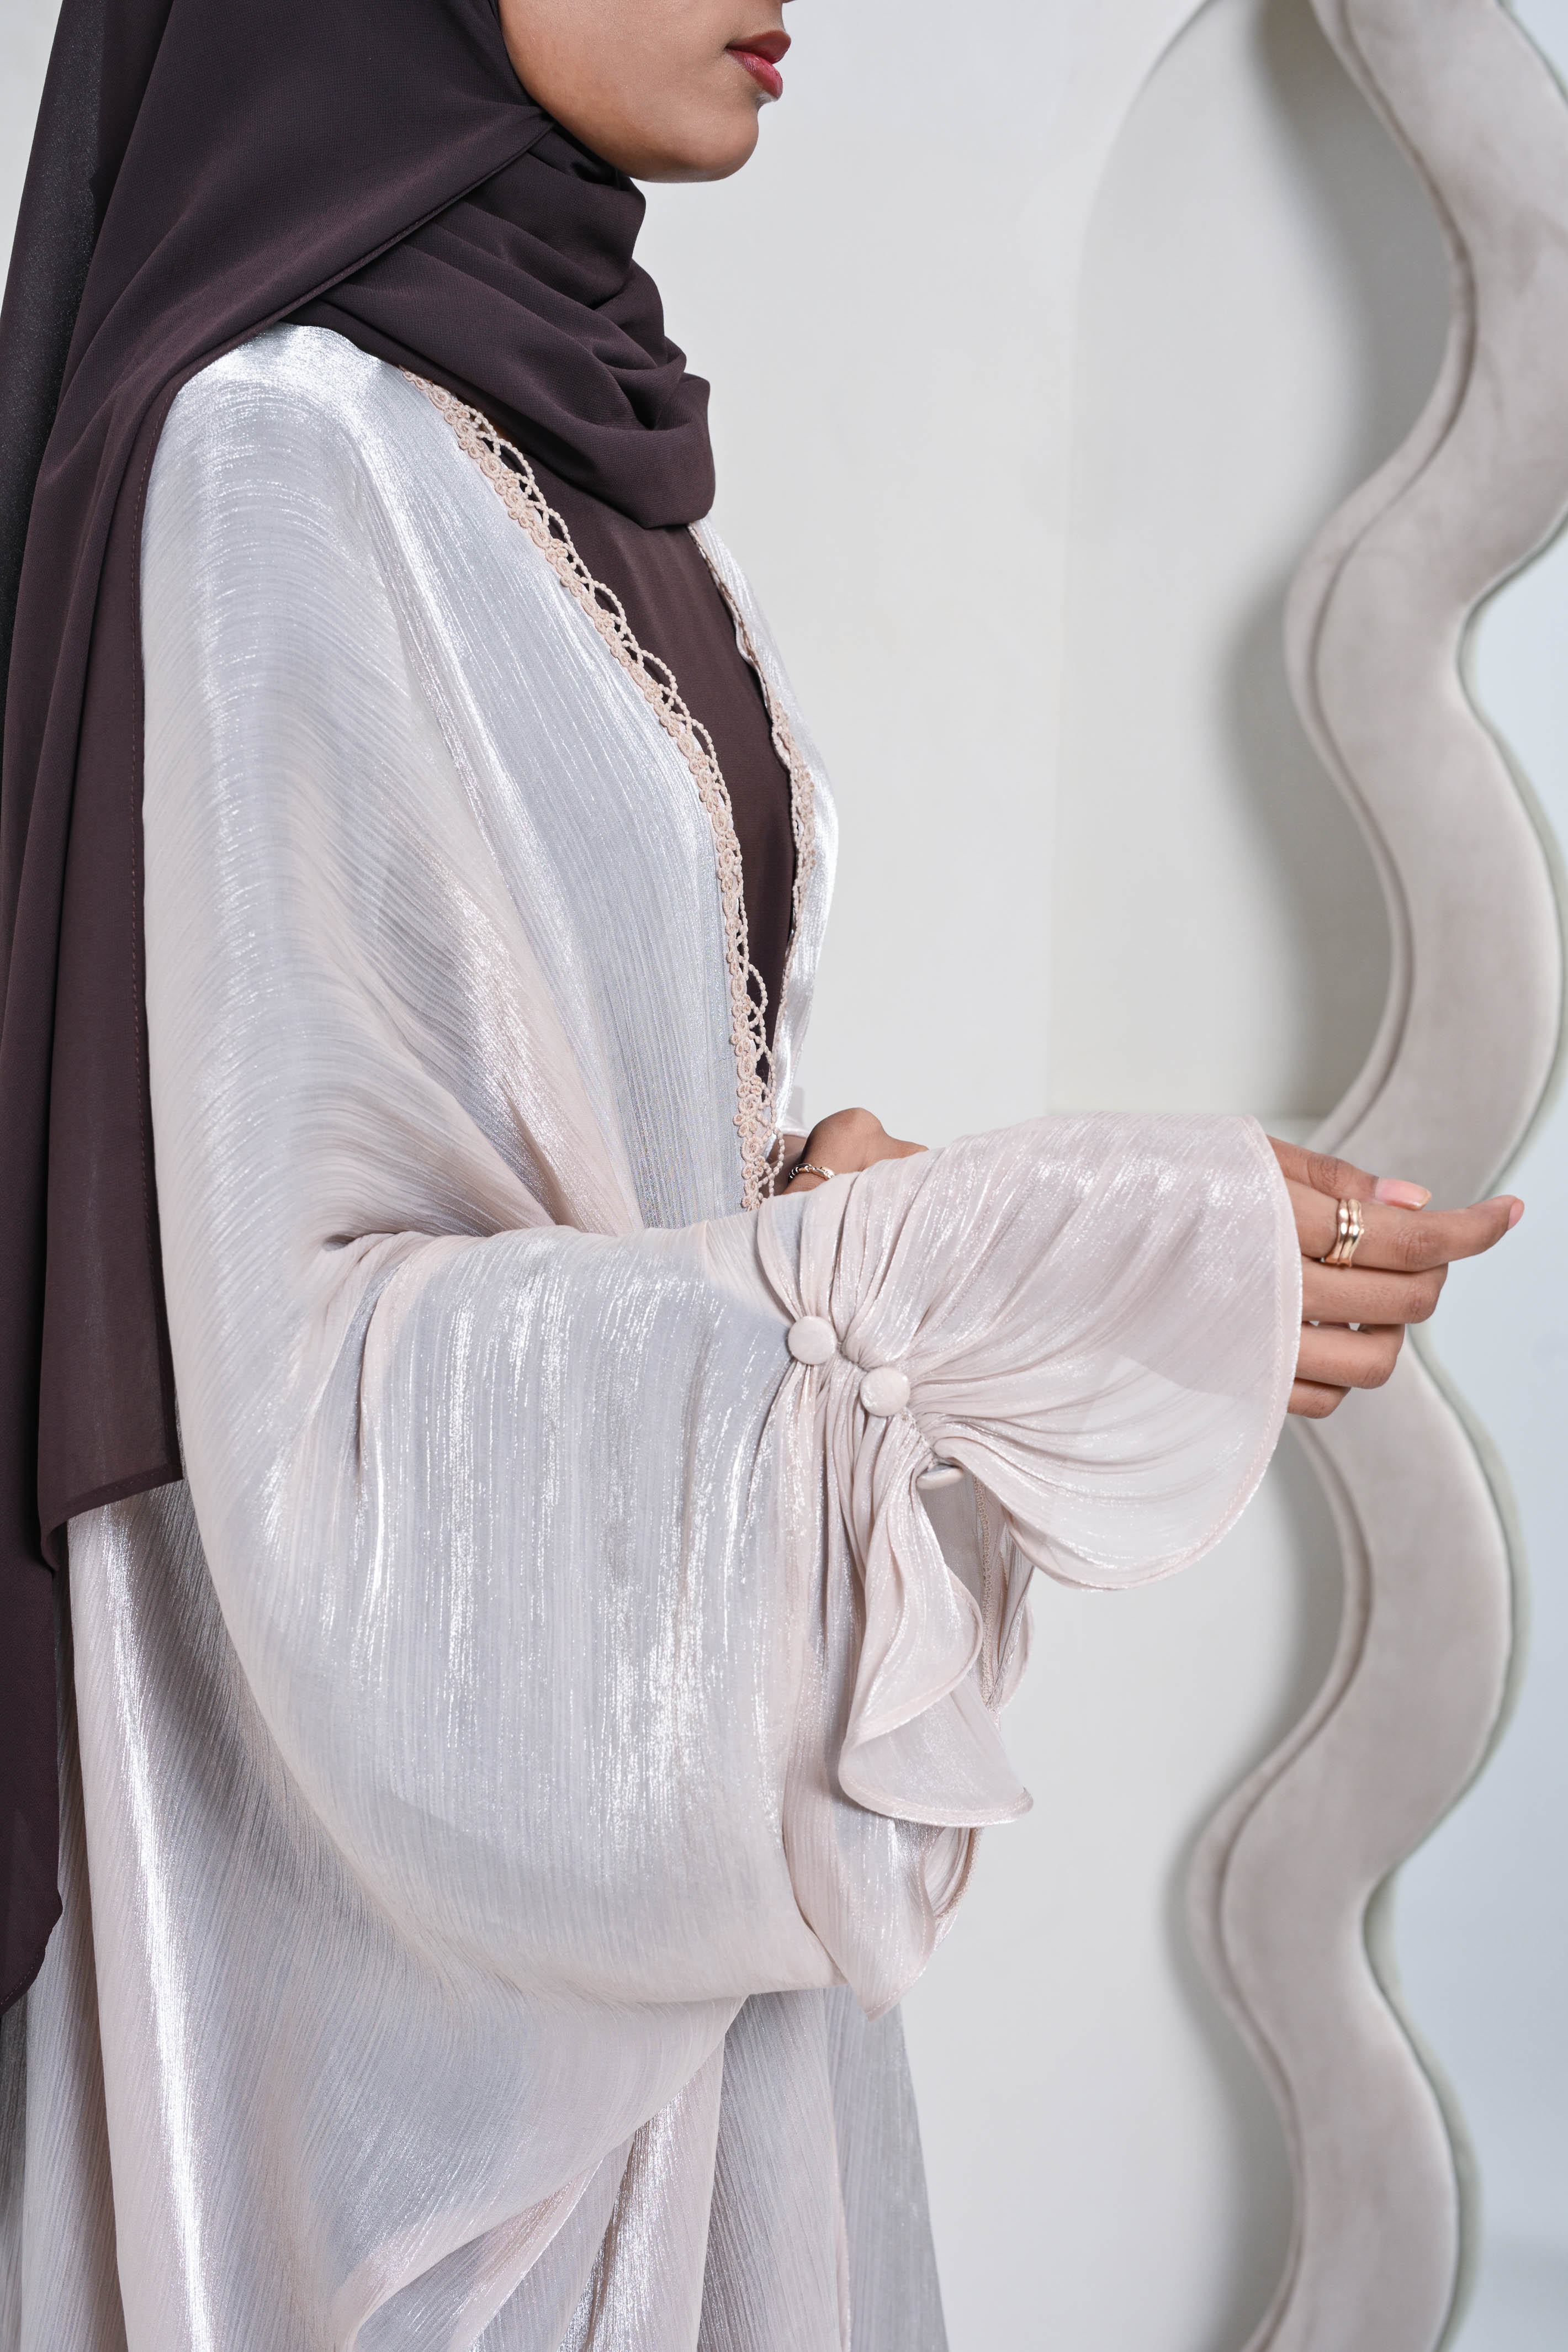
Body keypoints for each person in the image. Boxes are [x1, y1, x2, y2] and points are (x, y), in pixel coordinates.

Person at [0, 1, 1521, 2344]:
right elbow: (293, 1409)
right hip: (420, 2031)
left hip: (676, 1869)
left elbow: (558, 1135)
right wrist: (945, 1278)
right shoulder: (277, 451)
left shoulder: (550, 432)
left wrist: (823, 1194)